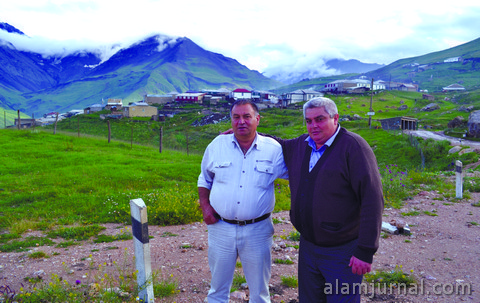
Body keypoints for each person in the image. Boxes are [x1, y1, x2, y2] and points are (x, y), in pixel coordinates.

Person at [278, 97, 384, 302]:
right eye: (308, 121)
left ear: (335, 118)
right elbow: (277, 144)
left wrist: (365, 250)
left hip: (342, 251)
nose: (313, 126)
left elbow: (372, 199)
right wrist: (245, 134)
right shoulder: (302, 144)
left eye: (320, 119)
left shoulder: (353, 147)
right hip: (308, 246)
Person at [197, 100, 288, 303]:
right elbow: (204, 179)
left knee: (259, 293)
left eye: (247, 116)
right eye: (236, 117)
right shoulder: (217, 145)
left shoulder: (273, 149)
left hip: (258, 230)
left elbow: (297, 175)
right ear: (231, 120)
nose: (241, 122)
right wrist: (205, 208)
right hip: (221, 228)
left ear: (257, 119)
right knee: (217, 290)